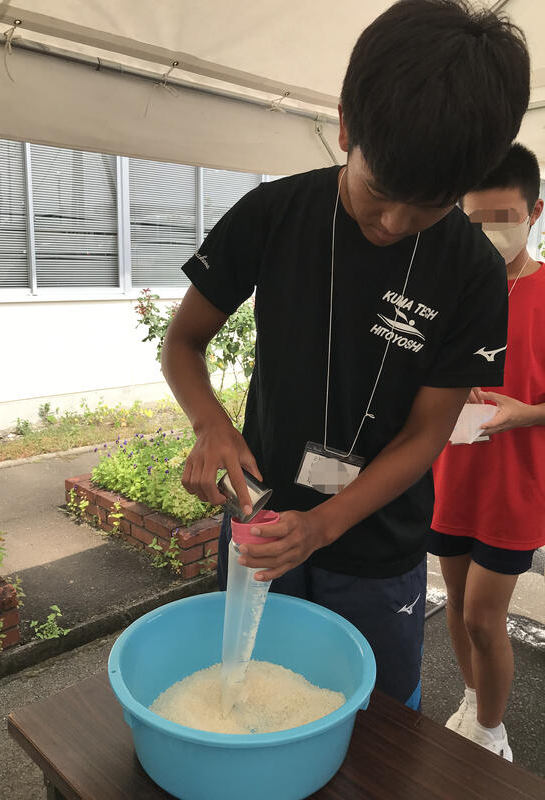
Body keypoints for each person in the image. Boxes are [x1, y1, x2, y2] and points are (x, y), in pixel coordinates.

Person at [161, 0, 530, 709]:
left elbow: (426, 434)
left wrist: (324, 525)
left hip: (378, 542)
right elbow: (183, 342)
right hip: (262, 511)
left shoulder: (472, 272)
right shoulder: (273, 214)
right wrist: (211, 424)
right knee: (243, 696)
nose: (393, 222)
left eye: (427, 207)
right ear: (344, 125)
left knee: (378, 720)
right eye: (380, 191)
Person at [430, 143, 544, 760]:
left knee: (481, 615)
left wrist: (525, 412)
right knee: (456, 604)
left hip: (515, 485)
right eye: (474, 222)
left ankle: (493, 731)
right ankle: (474, 699)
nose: (488, 234)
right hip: (450, 475)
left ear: (535, 212)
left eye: (504, 219)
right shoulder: (450, 290)